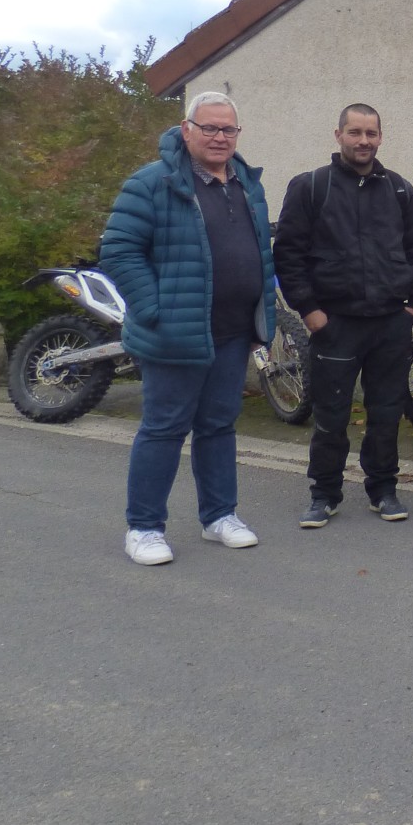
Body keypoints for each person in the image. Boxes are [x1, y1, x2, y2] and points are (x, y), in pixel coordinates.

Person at [100, 92, 275, 565]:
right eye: (209, 127)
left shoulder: (247, 184)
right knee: (164, 429)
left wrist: (262, 316)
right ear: (186, 130)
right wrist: (154, 309)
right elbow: (118, 251)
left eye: (228, 129)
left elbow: (260, 253)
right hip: (174, 333)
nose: (220, 137)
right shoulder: (152, 182)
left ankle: (219, 516)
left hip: (233, 331)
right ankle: (143, 528)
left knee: (218, 426)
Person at [275, 104, 413, 528]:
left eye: (371, 133)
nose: (363, 141)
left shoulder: (400, 190)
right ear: (338, 135)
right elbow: (288, 254)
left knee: (386, 414)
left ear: (380, 137)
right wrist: (310, 311)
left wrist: (412, 307)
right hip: (335, 325)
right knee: (330, 417)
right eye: (355, 132)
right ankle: (324, 495)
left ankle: (383, 490)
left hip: (390, 324)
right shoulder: (311, 187)